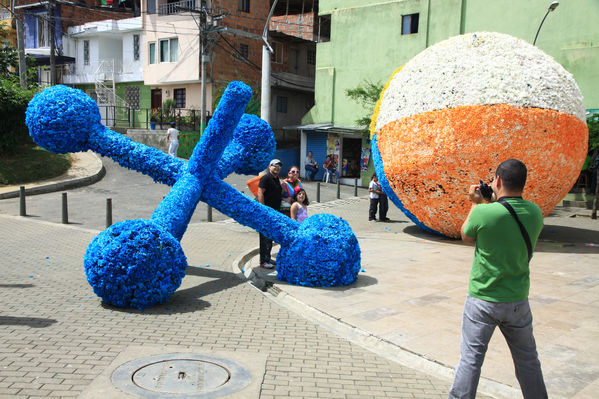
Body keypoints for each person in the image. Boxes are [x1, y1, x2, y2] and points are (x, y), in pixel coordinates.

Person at [449, 159, 547, 399]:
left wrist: (476, 203)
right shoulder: (535, 212)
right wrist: (493, 201)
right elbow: (508, 219)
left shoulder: (484, 212)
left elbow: (466, 235)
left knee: (471, 360)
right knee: (528, 361)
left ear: (499, 180)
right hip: (517, 300)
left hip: (483, 299)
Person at [256, 159, 283, 269]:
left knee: (270, 237)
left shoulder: (277, 179)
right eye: (275, 165)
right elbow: (260, 192)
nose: (277, 167)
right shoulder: (266, 178)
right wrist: (263, 209)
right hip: (266, 213)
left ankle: (267, 258)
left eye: (279, 166)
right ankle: (263, 261)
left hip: (274, 213)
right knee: (264, 237)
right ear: (270, 166)